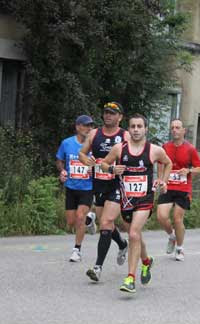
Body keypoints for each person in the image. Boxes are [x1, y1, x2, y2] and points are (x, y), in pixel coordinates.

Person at [101, 114, 172, 293]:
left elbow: (168, 162)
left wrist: (163, 181)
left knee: (133, 234)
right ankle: (146, 261)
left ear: (145, 129)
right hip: (126, 199)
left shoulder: (154, 150)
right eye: (132, 126)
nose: (136, 130)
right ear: (129, 129)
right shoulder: (119, 148)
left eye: (139, 126)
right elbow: (103, 164)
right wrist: (111, 169)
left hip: (144, 199)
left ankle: (130, 278)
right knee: (136, 236)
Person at [79, 102, 130, 281]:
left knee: (107, 221)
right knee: (105, 224)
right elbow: (82, 153)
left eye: (112, 113)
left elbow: (135, 155)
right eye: (106, 113)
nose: (108, 115)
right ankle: (123, 244)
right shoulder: (94, 134)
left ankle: (97, 267)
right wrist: (86, 161)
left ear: (120, 117)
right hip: (99, 183)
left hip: (117, 185)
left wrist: (123, 168)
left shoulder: (125, 135)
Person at [156, 119, 200, 261]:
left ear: (184, 131)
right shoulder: (165, 147)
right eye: (172, 128)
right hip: (168, 186)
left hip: (183, 188)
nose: (175, 130)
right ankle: (172, 237)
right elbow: (160, 164)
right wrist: (160, 179)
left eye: (178, 128)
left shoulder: (190, 149)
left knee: (177, 219)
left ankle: (180, 248)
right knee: (161, 216)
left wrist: (189, 170)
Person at [56, 115, 96, 262]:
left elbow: (103, 163)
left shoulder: (94, 145)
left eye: (91, 126)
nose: (89, 128)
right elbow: (60, 160)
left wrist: (95, 169)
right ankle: (89, 220)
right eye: (86, 125)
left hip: (87, 188)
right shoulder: (66, 143)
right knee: (71, 222)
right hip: (71, 187)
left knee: (80, 217)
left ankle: (76, 250)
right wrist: (62, 171)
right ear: (78, 127)